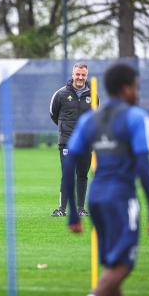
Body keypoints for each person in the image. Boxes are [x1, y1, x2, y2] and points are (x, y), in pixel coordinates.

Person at [64, 64, 149, 296]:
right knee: (124, 265)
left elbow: (69, 163)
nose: (138, 93)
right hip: (122, 198)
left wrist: (74, 213)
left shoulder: (89, 119)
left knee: (110, 263)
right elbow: (144, 168)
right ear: (126, 88)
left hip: (96, 198)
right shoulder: (136, 117)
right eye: (136, 87)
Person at [49, 62, 93, 217]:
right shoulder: (61, 94)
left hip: (86, 142)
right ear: (73, 74)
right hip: (67, 141)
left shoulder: (93, 95)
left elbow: (96, 117)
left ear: (86, 76)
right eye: (77, 74)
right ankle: (62, 208)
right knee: (68, 174)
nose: (80, 77)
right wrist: (64, 129)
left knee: (82, 174)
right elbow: (53, 114)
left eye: (83, 75)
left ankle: (81, 209)